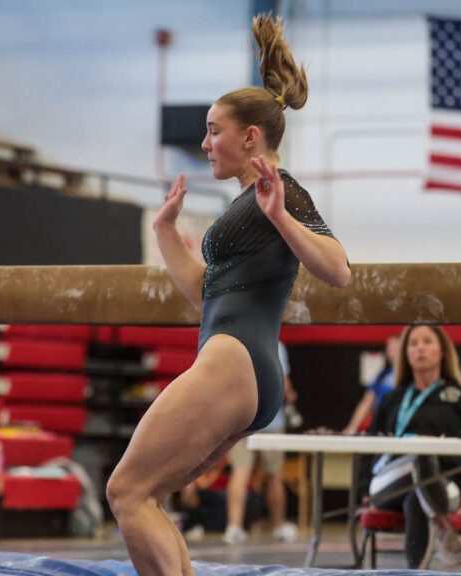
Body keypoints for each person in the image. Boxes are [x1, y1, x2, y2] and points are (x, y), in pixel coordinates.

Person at [105, 15, 350, 576]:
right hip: (239, 360)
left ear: (250, 137)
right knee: (144, 497)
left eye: (214, 130)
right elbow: (207, 295)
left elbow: (338, 271)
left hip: (235, 360)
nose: (204, 143)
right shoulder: (249, 201)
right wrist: (165, 233)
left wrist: (282, 216)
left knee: (126, 492)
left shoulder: (277, 192)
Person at [357, 325, 461, 569]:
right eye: (413, 343)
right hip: (388, 485)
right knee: (420, 450)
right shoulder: (392, 399)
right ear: (406, 354)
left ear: (442, 351)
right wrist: (363, 491)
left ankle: (416, 572)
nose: (420, 347)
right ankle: (445, 531)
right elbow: (368, 445)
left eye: (427, 341)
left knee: (416, 500)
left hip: (447, 486)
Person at [222, 341, 298, 544]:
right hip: (270, 420)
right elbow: (284, 383)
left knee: (240, 471)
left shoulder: (234, 342)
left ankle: (234, 527)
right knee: (274, 475)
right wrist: (290, 395)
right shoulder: (277, 345)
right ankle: (280, 526)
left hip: (241, 418)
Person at [342, 334, 400, 434]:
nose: (391, 351)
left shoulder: (411, 375)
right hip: (380, 425)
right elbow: (367, 401)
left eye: (395, 347)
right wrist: (352, 427)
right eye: (389, 348)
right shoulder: (382, 375)